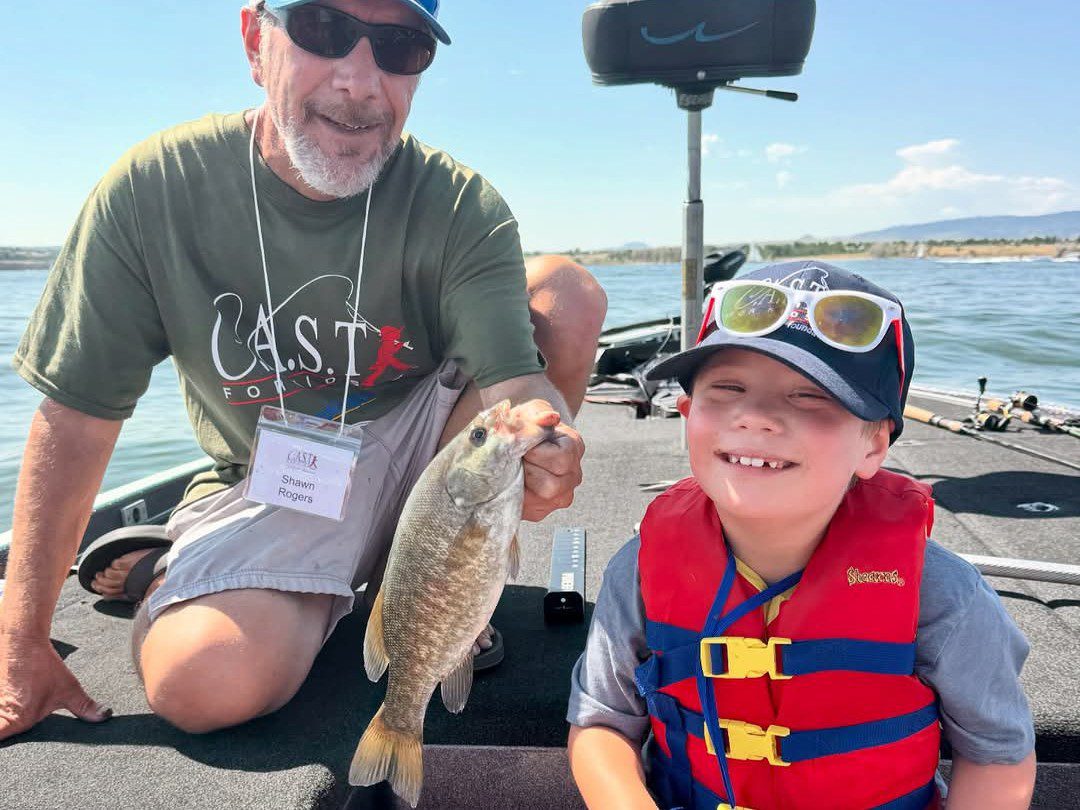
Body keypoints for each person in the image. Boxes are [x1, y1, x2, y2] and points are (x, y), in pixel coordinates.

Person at [0, 0, 607, 741]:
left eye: (399, 46)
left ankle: (406, 582)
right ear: (257, 40)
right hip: (275, 479)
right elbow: (77, 416)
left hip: (426, 458)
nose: (359, 78)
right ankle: (176, 569)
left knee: (564, 292)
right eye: (323, 29)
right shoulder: (155, 188)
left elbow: (515, 387)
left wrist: (547, 440)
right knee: (204, 684)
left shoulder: (459, 204)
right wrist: (20, 639)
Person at [566, 261, 1036, 809]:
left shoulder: (944, 596)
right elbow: (601, 724)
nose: (756, 417)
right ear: (688, 415)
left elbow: (998, 754)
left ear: (874, 445)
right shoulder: (638, 572)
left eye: (810, 396)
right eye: (728, 388)